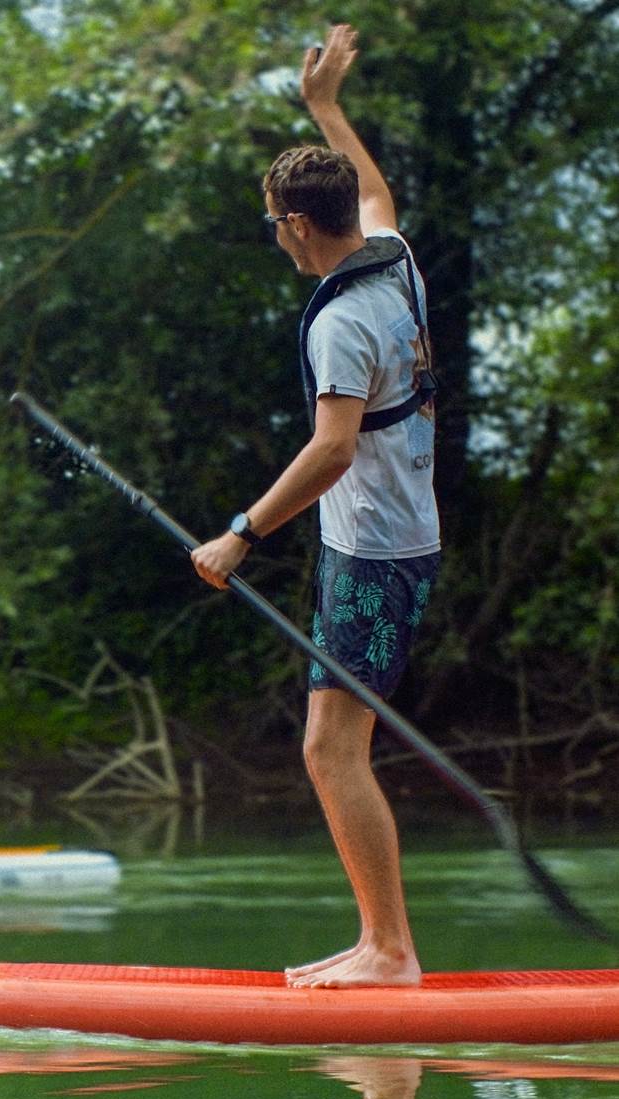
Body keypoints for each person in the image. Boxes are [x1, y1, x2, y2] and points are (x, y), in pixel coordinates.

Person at [191, 25, 440, 989]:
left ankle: (391, 952)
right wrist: (326, 109)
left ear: (297, 222)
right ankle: (381, 941)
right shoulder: (393, 256)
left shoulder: (343, 322)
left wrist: (240, 536)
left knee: (332, 752)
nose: (277, 239)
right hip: (392, 538)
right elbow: (374, 187)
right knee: (331, 747)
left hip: (376, 551)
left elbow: (334, 449)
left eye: (275, 224)